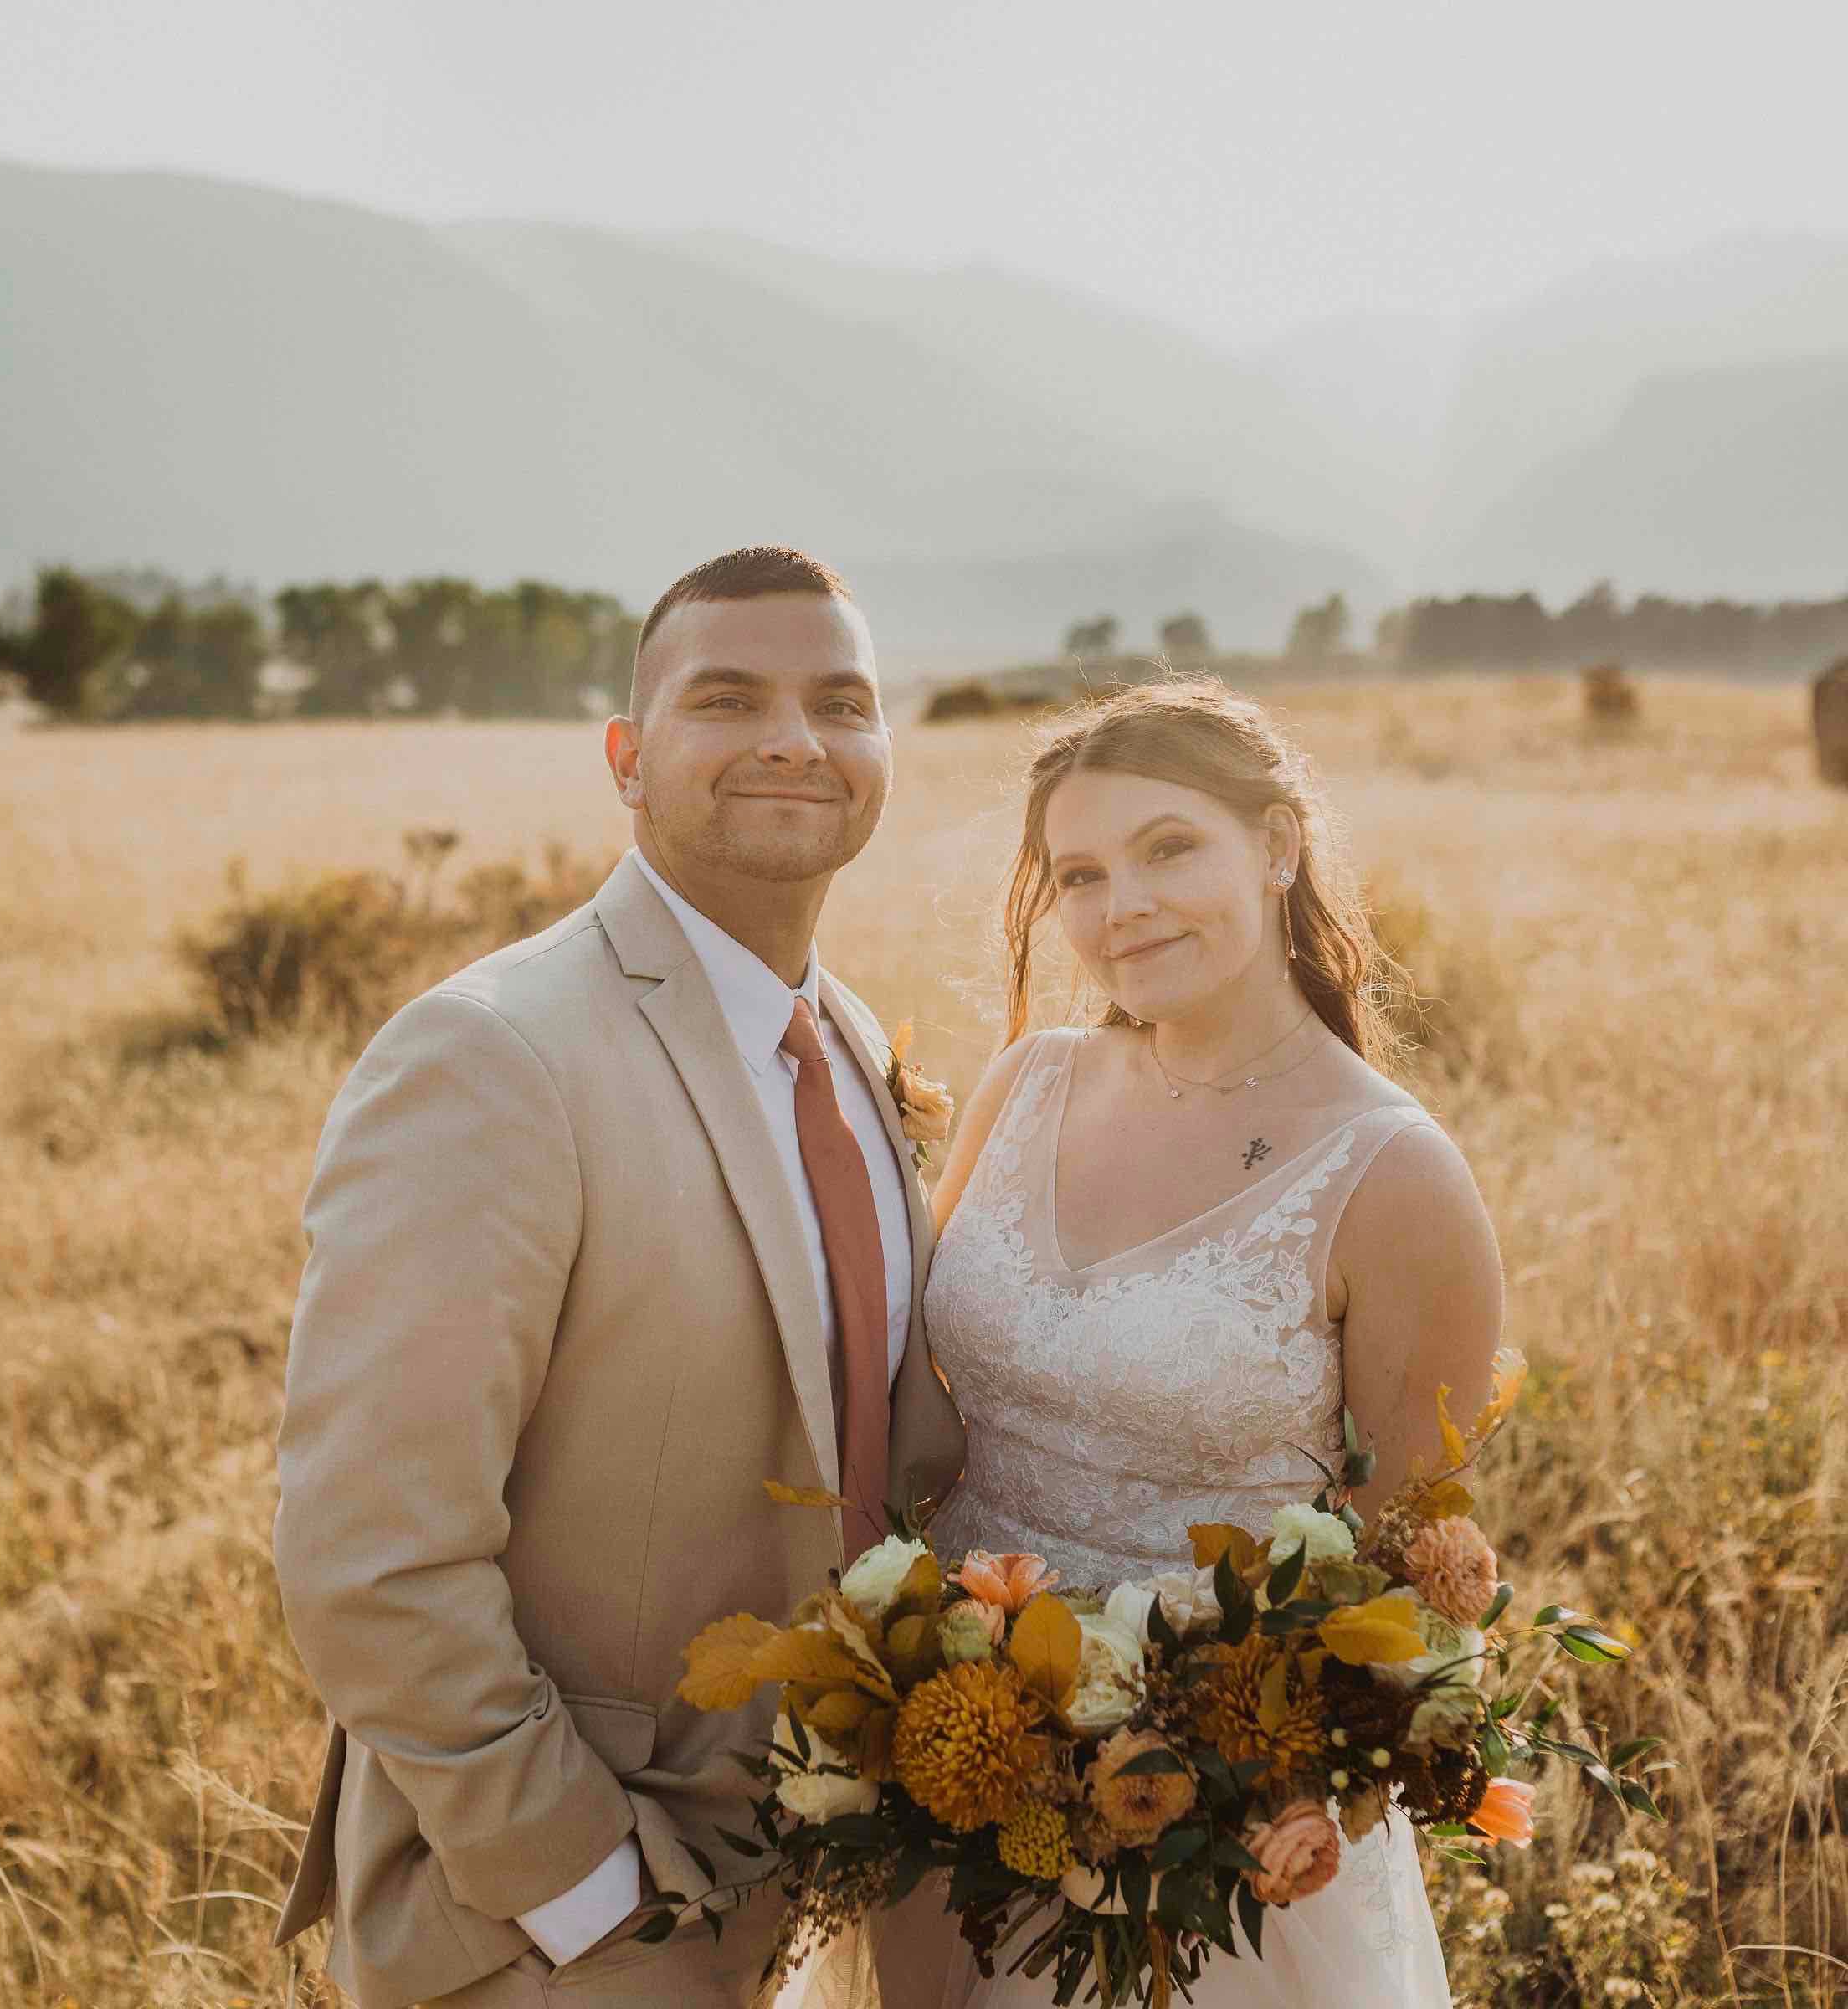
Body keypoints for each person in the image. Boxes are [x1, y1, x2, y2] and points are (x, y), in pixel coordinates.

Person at [269, 547, 965, 2009]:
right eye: (730, 698)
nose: (794, 737)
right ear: (628, 759)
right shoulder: (494, 1057)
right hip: (559, 1927)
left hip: (807, 1880)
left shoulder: (844, 1039)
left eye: (842, 702)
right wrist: (588, 1892)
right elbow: (372, 1555)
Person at [920, 676, 1503, 2008]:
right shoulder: (1025, 1086)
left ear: (1278, 845)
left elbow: (1396, 1584)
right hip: (947, 1769)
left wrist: (1200, 1789)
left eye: (1168, 847)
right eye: (1078, 873)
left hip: (1207, 1853)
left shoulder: (1391, 1176)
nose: (1120, 906)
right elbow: (917, 1414)